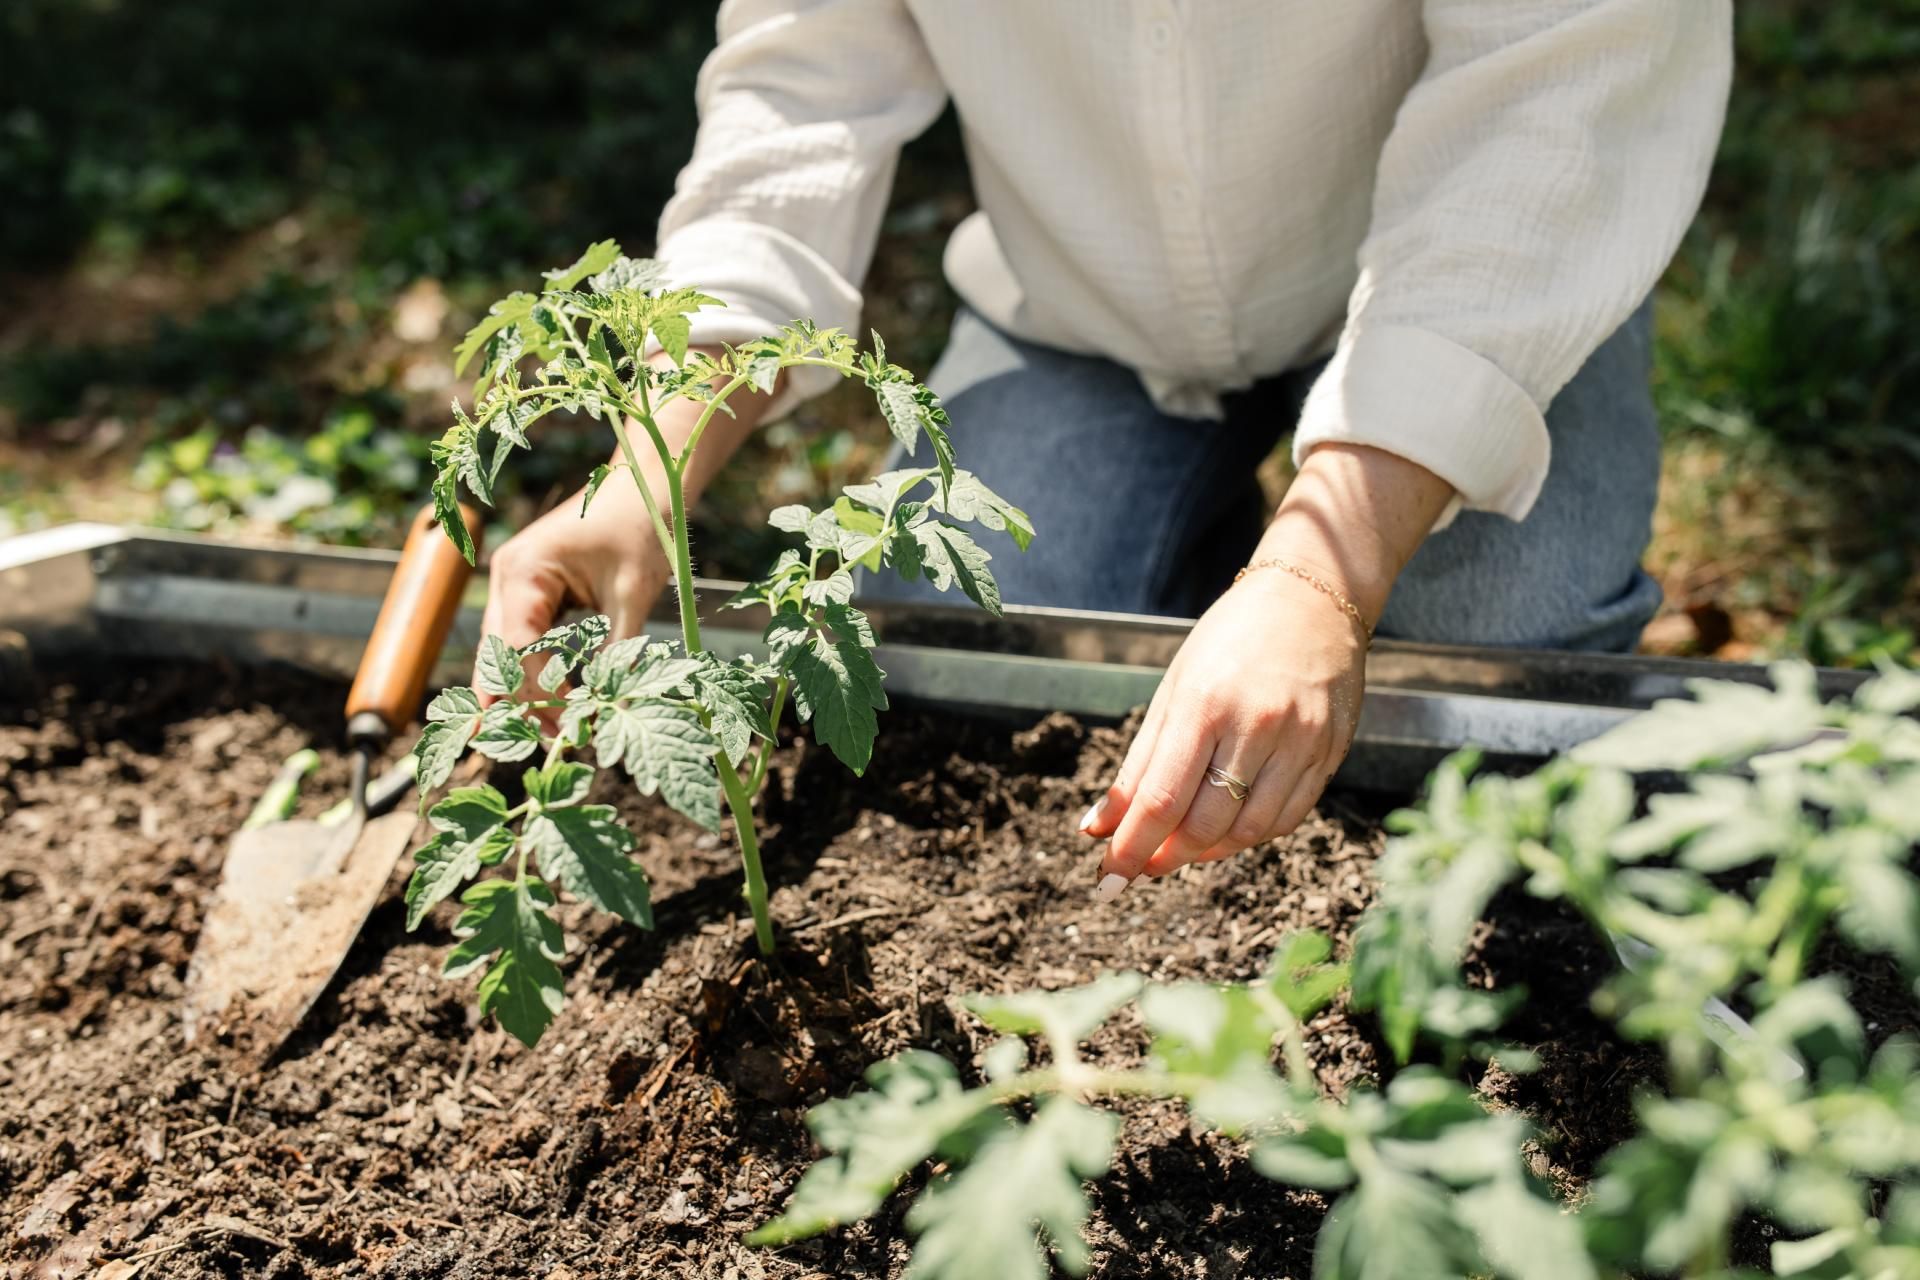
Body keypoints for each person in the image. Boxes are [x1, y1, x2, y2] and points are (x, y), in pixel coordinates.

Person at [476, 1, 1732, 902]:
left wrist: (1321, 577)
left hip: (1469, 281)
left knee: (1487, 681)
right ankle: (1219, 619)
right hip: (1083, 312)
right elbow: (798, 92)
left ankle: (1285, 581)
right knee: (947, 674)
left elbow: (1555, 104)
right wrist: (652, 463)